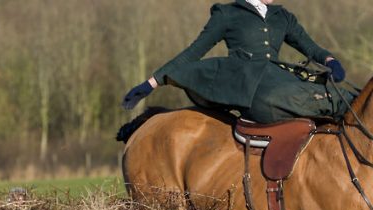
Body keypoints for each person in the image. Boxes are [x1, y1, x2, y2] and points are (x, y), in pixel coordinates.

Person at [121, 0, 355, 123]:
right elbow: (193, 53)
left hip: (279, 79)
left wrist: (331, 61)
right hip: (250, 87)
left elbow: (310, 47)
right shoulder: (228, 14)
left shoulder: (282, 17)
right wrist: (151, 83)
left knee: (347, 99)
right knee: (292, 98)